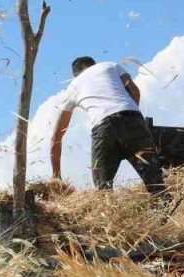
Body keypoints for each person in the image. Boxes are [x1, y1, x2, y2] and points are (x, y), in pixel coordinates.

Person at [50, 56, 164, 192]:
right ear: (94, 64)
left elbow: (56, 137)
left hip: (103, 127)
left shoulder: (73, 86)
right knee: (155, 180)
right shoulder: (110, 65)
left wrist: (56, 175)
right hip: (131, 117)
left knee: (103, 189)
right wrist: (133, 121)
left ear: (75, 75)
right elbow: (134, 91)